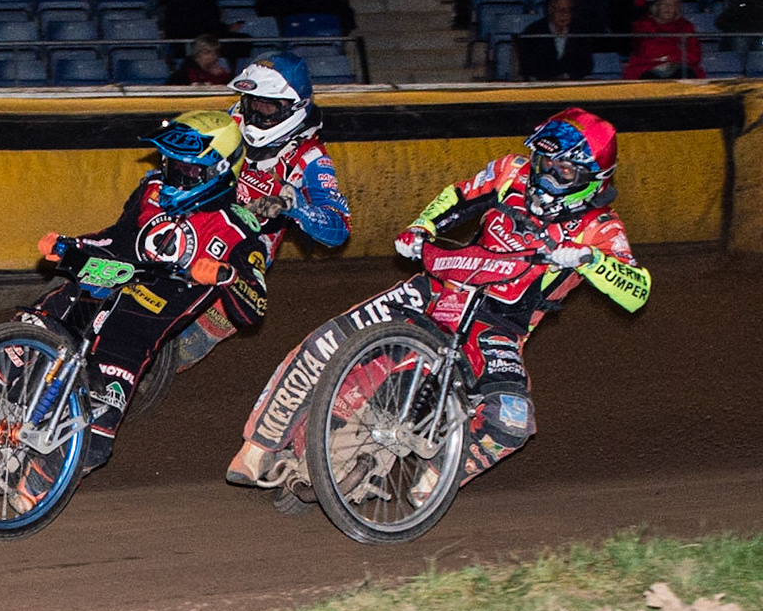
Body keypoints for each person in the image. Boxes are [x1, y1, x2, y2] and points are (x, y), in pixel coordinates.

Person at [226, 107, 651, 492]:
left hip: (498, 326)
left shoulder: (601, 228)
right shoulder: (512, 171)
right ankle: (258, 448)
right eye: (544, 161)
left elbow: (637, 290)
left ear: (592, 178)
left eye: (562, 170)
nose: (546, 175)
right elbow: (460, 196)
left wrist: (591, 260)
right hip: (440, 287)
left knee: (511, 421)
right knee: (327, 342)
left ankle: (435, 482)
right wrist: (421, 228)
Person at [0, 110, 269, 480]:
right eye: (170, 164)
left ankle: (36, 485)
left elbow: (253, 310)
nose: (173, 175)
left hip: (138, 325)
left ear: (219, 171)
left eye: (186, 169)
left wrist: (227, 276)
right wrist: (72, 244)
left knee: (95, 437)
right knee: (10, 348)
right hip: (99, 288)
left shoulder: (240, 230)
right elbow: (117, 239)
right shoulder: (151, 190)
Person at [169, 51, 352, 373]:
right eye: (252, 103)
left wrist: (296, 206)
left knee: (194, 340)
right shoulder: (231, 121)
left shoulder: (310, 158)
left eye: (267, 106)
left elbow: (338, 228)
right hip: (195, 225)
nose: (255, 112)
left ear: (293, 107)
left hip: (242, 255)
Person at [622, 0, 705, 79]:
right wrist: (675, 50)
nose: (667, 8)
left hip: (679, 68)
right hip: (647, 68)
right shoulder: (643, 26)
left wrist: (668, 57)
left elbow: (694, 56)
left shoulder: (685, 27)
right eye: (663, 4)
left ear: (677, 8)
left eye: (671, 5)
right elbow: (646, 51)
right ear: (657, 6)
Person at [517, 0, 595, 79]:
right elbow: (528, 65)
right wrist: (552, 77)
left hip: (571, 82)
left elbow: (586, 65)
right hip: (542, 82)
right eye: (559, 10)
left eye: (567, 10)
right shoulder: (534, 32)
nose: (563, 15)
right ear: (550, 10)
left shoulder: (579, 32)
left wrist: (567, 76)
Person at [166, 33, 232, 85]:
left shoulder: (222, 73)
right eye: (207, 53)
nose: (212, 57)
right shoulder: (183, 73)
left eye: (215, 53)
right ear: (197, 55)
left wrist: (222, 76)